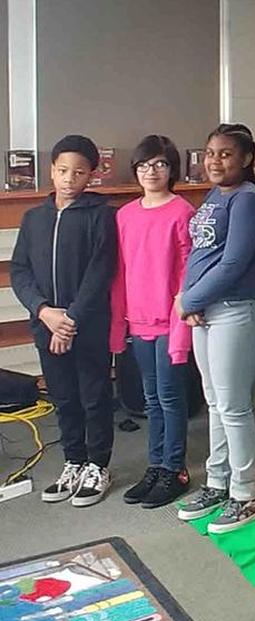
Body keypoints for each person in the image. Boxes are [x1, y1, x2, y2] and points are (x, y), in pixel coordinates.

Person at [11, 134, 117, 508]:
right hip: (45, 322)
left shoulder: (101, 215)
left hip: (86, 324)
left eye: (78, 172)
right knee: (63, 397)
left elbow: (100, 271)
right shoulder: (34, 218)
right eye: (62, 171)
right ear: (51, 171)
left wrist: (69, 320)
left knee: (94, 395)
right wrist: (45, 312)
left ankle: (98, 465)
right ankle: (73, 460)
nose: (69, 179)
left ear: (92, 175)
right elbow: (20, 271)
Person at [174, 124, 255, 535]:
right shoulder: (217, 195)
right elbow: (199, 253)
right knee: (215, 403)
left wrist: (190, 300)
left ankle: (246, 492)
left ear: (247, 158)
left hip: (235, 310)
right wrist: (188, 297)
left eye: (226, 154)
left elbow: (233, 263)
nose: (214, 161)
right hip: (205, 311)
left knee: (233, 405)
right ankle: (218, 482)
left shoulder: (248, 200)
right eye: (210, 153)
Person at [110, 135, 195, 509]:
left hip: (170, 322)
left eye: (160, 164)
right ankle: (156, 464)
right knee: (150, 399)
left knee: (171, 396)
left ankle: (174, 469)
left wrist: (181, 329)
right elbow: (121, 273)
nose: (151, 171)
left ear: (171, 169)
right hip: (138, 321)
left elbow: (187, 275)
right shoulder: (125, 215)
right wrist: (119, 326)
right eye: (144, 165)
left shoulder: (182, 212)